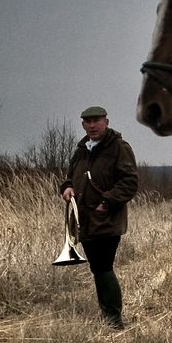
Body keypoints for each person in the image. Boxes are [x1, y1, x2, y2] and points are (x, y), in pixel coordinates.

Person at [59, 105, 138, 329]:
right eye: (87, 122)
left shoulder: (119, 148)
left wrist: (107, 202)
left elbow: (129, 183)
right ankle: (108, 316)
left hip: (108, 220)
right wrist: (66, 188)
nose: (92, 125)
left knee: (103, 266)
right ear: (83, 125)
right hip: (84, 222)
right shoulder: (81, 150)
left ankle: (114, 320)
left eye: (96, 121)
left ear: (106, 122)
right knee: (97, 267)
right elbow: (69, 178)